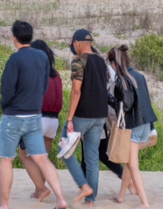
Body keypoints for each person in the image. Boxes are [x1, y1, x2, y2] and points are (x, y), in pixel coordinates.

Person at [0, 21, 68, 209]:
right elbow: (43, 87)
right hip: (35, 115)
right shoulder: (42, 57)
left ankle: (4, 204)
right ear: (31, 36)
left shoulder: (14, 59)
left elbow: (7, 89)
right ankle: (60, 199)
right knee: (42, 158)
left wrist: (4, 105)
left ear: (14, 38)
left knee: (6, 159)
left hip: (14, 115)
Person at [63, 29, 108, 205]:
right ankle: (90, 199)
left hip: (82, 115)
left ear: (78, 43)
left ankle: (83, 186)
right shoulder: (101, 61)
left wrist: (69, 119)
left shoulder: (79, 60)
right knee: (91, 158)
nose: (74, 46)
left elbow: (76, 91)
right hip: (99, 117)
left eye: (74, 43)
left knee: (65, 149)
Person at [108, 45, 155, 207]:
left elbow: (125, 106)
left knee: (133, 165)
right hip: (145, 123)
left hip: (133, 125)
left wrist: (110, 99)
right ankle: (121, 195)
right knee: (129, 162)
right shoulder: (138, 76)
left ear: (114, 63)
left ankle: (144, 202)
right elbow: (145, 100)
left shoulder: (122, 80)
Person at [17, 39, 63, 203]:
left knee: (24, 156)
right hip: (53, 121)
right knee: (43, 158)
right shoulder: (55, 74)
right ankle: (38, 192)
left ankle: (42, 189)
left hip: (37, 118)